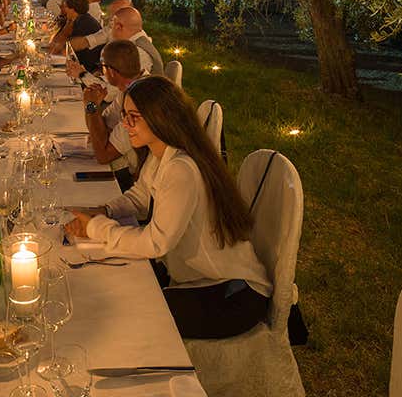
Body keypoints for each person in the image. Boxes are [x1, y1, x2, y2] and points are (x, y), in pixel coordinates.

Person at [65, 76, 272, 340]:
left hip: (231, 292)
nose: (125, 124)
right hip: (197, 278)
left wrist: (96, 228)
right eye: (125, 115)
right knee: (111, 295)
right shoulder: (162, 153)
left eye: (133, 117)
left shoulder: (181, 169)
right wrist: (104, 211)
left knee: (125, 317)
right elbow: (139, 198)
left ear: (160, 117)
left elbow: (156, 243)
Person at [81, 40, 145, 191]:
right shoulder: (127, 89)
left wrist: (91, 106)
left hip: (133, 180)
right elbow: (100, 128)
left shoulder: (138, 99)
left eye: (102, 67)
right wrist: (94, 109)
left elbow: (103, 155)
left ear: (110, 71)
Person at [49, 0, 103, 71]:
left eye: (64, 6)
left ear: (73, 9)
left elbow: (57, 49)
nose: (61, 9)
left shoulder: (84, 24)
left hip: (86, 70)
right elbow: (53, 43)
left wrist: (65, 29)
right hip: (75, 64)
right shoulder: (73, 20)